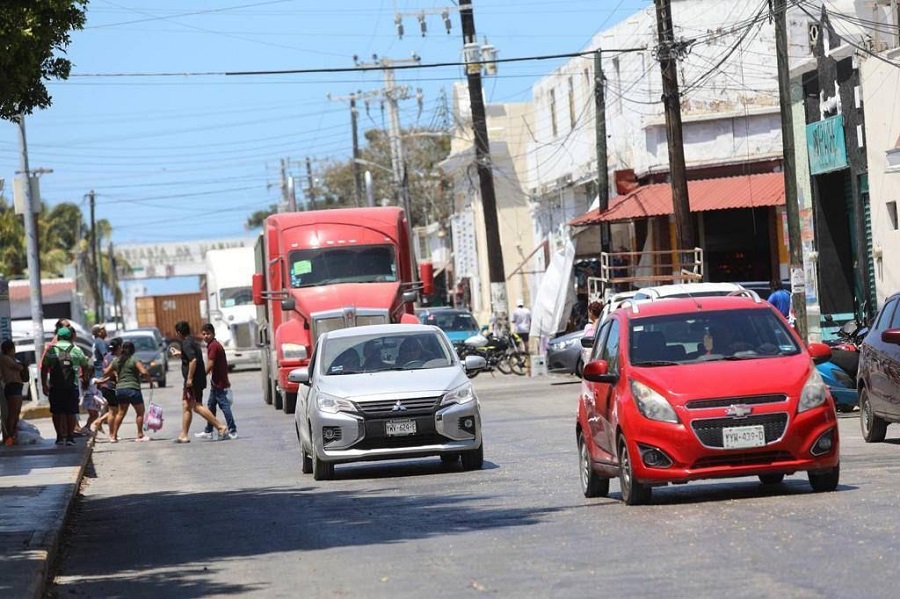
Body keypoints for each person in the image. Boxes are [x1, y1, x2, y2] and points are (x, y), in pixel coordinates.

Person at [172, 321, 228, 443]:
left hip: (193, 381)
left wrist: (190, 378)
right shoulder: (191, 342)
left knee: (197, 406)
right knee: (186, 405)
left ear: (179, 333)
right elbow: (191, 355)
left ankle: (220, 426)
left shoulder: (186, 343)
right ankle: (184, 435)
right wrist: (180, 354)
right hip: (197, 380)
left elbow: (193, 360)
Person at [40, 326, 89, 446]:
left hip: (55, 386)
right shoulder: (76, 350)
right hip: (72, 386)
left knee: (57, 412)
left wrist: (44, 385)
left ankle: (59, 437)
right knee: (70, 412)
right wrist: (84, 378)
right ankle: (70, 437)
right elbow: (85, 365)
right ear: (70, 336)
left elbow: (44, 369)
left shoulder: (51, 351)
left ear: (58, 336)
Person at [106, 340, 154, 442]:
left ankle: (113, 436)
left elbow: (105, 372)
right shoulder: (134, 360)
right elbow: (144, 372)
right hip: (133, 389)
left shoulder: (116, 360)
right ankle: (140, 435)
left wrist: (114, 373)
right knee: (140, 413)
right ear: (133, 350)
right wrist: (150, 381)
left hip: (120, 390)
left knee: (120, 413)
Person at [197, 323, 237, 440]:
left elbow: (210, 363)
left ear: (213, 334)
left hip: (220, 382)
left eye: (208, 334)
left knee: (224, 406)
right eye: (203, 334)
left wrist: (201, 376)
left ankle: (233, 430)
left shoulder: (214, 346)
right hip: (216, 382)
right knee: (211, 405)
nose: (205, 336)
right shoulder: (211, 345)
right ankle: (209, 431)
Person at [92, 337, 123, 438]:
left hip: (106, 386)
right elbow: (114, 372)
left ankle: (105, 427)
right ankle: (110, 433)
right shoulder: (114, 358)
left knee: (114, 410)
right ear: (118, 347)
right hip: (110, 386)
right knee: (113, 411)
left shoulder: (107, 356)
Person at [0, 339, 27, 446]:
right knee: (12, 413)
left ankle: (12, 434)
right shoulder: (5, 358)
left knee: (16, 413)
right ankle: (9, 436)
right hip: (12, 386)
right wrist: (23, 366)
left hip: (17, 386)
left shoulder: (10, 358)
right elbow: (18, 367)